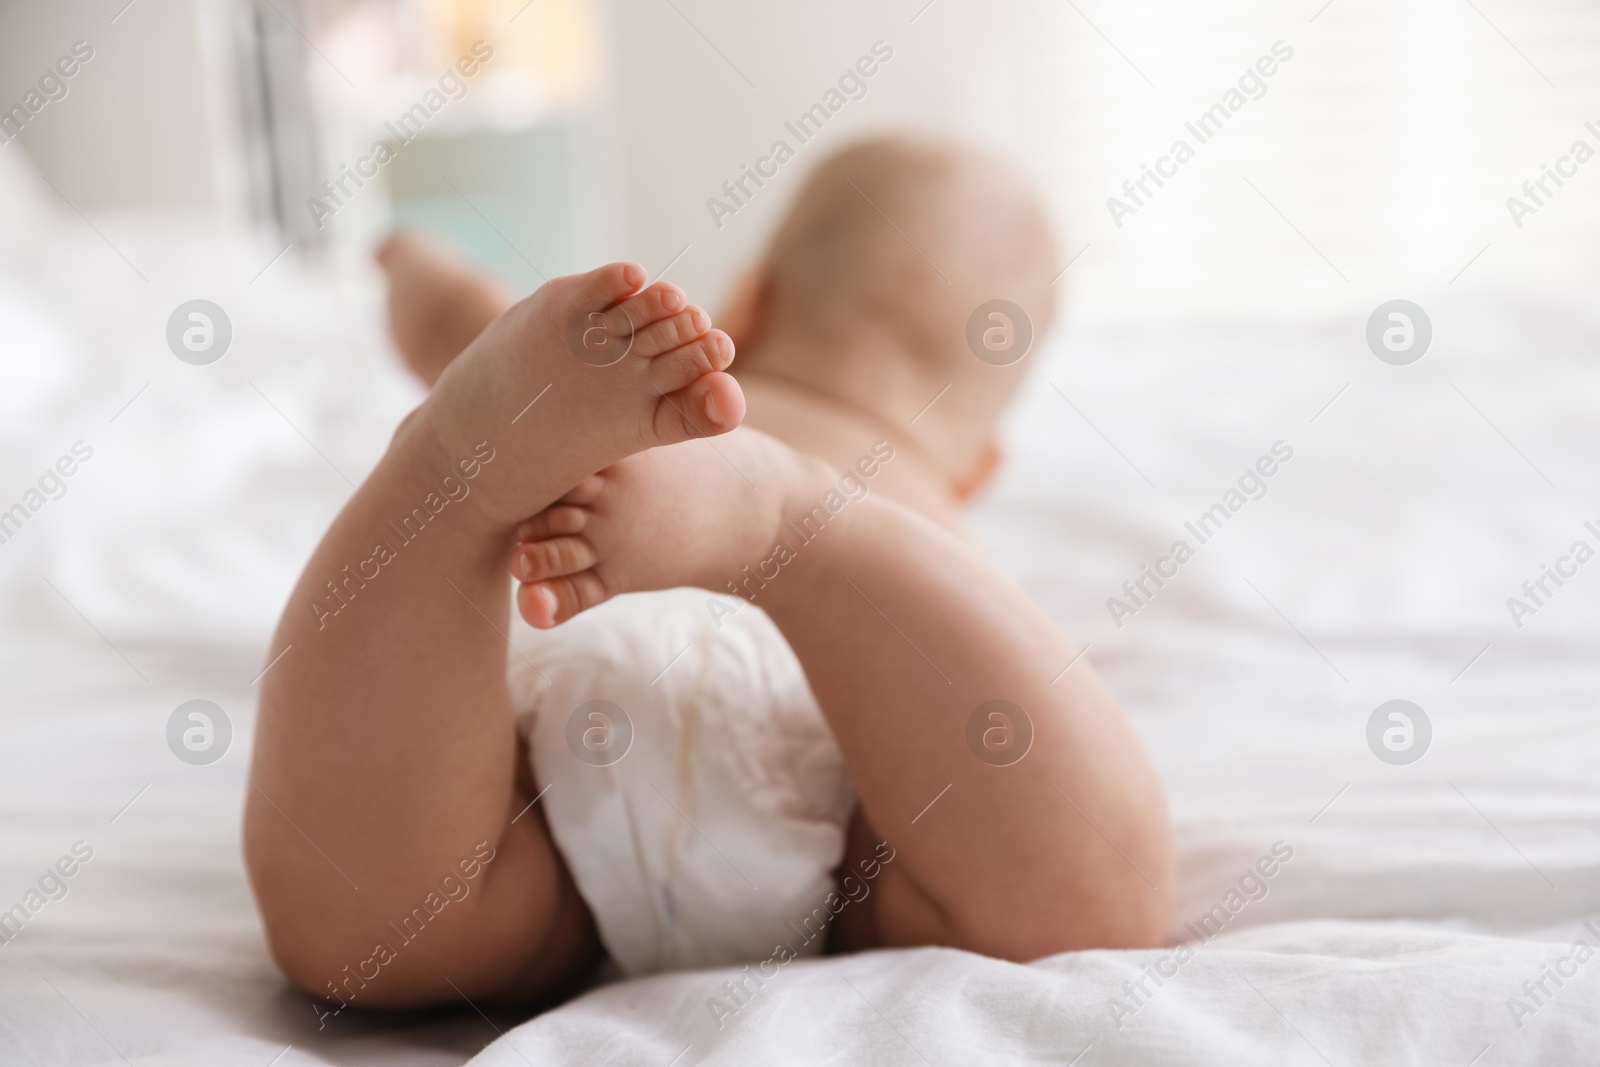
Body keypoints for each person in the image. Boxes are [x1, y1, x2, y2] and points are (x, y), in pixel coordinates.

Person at [244, 137, 1172, 1011]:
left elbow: (450, 315)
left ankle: (449, 470)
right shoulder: (932, 496)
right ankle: (791, 526)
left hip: (548, 720)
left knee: (375, 932)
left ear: (750, 311)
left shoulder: (645, 405)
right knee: (1083, 903)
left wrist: (420, 268)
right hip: (854, 796)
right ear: (978, 469)